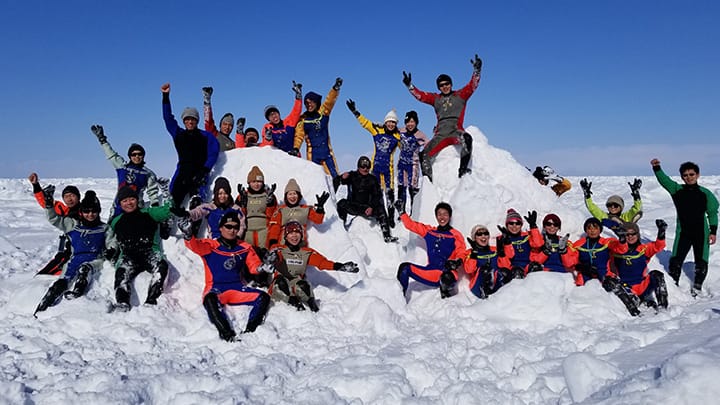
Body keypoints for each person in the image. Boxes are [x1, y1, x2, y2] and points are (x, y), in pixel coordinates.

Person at [182, 211, 273, 342]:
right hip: (216, 289)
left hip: (236, 288)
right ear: (221, 228)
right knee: (209, 300)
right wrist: (188, 235)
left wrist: (263, 268)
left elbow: (254, 266)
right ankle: (227, 335)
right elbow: (195, 245)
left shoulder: (244, 247)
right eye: (228, 226)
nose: (232, 230)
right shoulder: (211, 246)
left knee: (263, 297)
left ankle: (250, 331)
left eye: (235, 227)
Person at [402, 54, 482, 180]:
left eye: (447, 84)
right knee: (424, 155)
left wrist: (477, 71)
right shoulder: (436, 99)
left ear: (451, 84)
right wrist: (410, 86)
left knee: (467, 139)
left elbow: (472, 85)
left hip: (455, 131)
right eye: (441, 85)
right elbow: (421, 96)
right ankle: (429, 184)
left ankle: (463, 171)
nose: (444, 86)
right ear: (438, 87)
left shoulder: (460, 95)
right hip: (440, 135)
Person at [34, 190, 111, 315]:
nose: (90, 214)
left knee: (85, 269)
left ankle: (78, 292)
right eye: (86, 211)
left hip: (96, 260)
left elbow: (111, 243)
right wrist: (49, 206)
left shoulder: (104, 228)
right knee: (61, 282)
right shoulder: (73, 225)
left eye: (94, 211)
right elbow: (55, 219)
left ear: (98, 212)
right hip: (75, 259)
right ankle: (42, 308)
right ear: (81, 212)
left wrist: (111, 250)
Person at [652, 158, 719, 295]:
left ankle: (697, 286)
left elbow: (712, 214)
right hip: (683, 232)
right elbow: (665, 181)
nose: (689, 177)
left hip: (701, 232)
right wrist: (657, 168)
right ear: (682, 177)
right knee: (676, 259)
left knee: (701, 261)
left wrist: (713, 232)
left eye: (691, 174)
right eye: (685, 175)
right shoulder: (677, 190)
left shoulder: (705, 194)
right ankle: (674, 285)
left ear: (698, 175)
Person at [267, 221, 359, 312]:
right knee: (281, 283)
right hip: (280, 284)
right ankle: (294, 305)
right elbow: (267, 259)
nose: (294, 236)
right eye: (291, 233)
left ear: (301, 236)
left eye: (297, 233)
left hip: (296, 284)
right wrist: (271, 259)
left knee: (304, 285)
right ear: (286, 236)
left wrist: (341, 266)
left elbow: (322, 263)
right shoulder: (278, 249)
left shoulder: (307, 252)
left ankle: (314, 311)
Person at [109, 185, 175, 311]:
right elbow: (108, 239)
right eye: (124, 201)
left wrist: (167, 193)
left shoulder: (150, 213)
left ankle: (151, 300)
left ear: (137, 200)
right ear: (120, 204)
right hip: (128, 256)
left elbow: (168, 210)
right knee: (121, 273)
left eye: (132, 199)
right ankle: (122, 302)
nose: (129, 203)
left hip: (150, 253)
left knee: (162, 267)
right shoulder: (116, 221)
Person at [161, 82, 220, 208]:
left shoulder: (206, 136)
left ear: (197, 121)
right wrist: (165, 97)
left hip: (200, 171)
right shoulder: (179, 134)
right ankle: (169, 223)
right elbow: (168, 119)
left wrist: (205, 169)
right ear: (184, 121)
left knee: (198, 202)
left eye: (193, 119)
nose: (190, 121)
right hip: (183, 171)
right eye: (187, 119)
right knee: (173, 201)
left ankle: (194, 224)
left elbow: (214, 152)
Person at [394, 202, 466, 299]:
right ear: (436, 216)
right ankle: (399, 299)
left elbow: (461, 251)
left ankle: (447, 300)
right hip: (432, 272)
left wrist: (457, 261)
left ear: (449, 216)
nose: (442, 217)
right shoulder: (430, 232)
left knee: (447, 277)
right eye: (439, 214)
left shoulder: (455, 235)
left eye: (445, 214)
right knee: (404, 268)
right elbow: (411, 225)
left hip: (448, 273)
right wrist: (402, 212)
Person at [346, 99, 401, 226]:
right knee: (375, 193)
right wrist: (355, 112)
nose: (391, 124)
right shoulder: (377, 130)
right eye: (389, 122)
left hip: (388, 171)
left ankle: (391, 218)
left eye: (393, 122)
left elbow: (405, 147)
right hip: (375, 168)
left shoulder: (398, 136)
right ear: (385, 122)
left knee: (390, 195)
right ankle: (379, 214)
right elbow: (365, 123)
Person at [569, 218, 638, 316]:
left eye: (595, 228)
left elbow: (620, 249)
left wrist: (622, 241)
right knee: (582, 296)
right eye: (589, 228)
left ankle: (631, 308)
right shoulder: (579, 244)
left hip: (604, 275)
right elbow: (570, 261)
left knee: (612, 285)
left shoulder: (606, 242)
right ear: (586, 230)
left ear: (600, 230)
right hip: (585, 276)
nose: (592, 231)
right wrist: (580, 266)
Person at [90, 124, 160, 218]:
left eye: (139, 154)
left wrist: (155, 206)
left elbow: (152, 192)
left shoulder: (148, 173)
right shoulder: (122, 166)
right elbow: (111, 154)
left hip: (136, 208)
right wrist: (102, 140)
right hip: (118, 207)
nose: (137, 156)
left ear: (143, 155)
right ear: (130, 156)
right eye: (134, 154)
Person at [333, 156, 396, 243]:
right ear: (358, 167)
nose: (365, 169)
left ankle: (387, 235)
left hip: (368, 208)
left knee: (381, 209)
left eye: (367, 167)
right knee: (341, 203)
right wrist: (341, 178)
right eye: (363, 167)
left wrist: (371, 207)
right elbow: (336, 181)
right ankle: (341, 229)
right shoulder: (352, 176)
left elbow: (377, 195)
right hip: (355, 206)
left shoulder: (373, 179)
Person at [29, 174, 81, 276]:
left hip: (77, 253)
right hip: (66, 252)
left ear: (78, 197)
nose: (69, 199)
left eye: (72, 196)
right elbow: (47, 205)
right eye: (66, 196)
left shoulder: (87, 211)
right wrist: (36, 185)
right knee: (42, 276)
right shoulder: (65, 211)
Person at [611, 220, 669, 310]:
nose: (630, 237)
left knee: (657, 274)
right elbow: (616, 249)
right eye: (627, 234)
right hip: (626, 288)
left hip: (642, 286)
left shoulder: (642, 249)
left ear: (637, 235)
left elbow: (658, 246)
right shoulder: (616, 249)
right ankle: (635, 302)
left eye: (633, 234)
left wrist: (661, 232)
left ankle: (663, 306)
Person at [293, 78, 343, 177]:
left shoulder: (323, 112)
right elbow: (299, 136)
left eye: (311, 102)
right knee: (316, 178)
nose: (309, 105)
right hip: (313, 154)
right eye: (306, 103)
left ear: (316, 102)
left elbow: (329, 101)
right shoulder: (303, 119)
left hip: (327, 153)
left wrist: (335, 88)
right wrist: (296, 148)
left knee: (335, 177)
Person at [267, 178, 328, 247]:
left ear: (299, 196)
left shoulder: (305, 209)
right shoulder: (281, 210)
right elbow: (275, 226)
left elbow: (318, 220)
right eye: (290, 194)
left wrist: (320, 208)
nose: (292, 196)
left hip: (300, 243)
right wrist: (273, 241)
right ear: (286, 196)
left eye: (295, 194)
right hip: (283, 243)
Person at [463, 225, 513, 299]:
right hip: (478, 285)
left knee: (505, 272)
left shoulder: (494, 250)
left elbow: (506, 267)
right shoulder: (470, 253)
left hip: (495, 283)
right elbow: (469, 270)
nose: (483, 236)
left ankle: (505, 297)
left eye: (486, 233)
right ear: (474, 238)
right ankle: (486, 298)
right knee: (486, 270)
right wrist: (474, 254)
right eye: (479, 234)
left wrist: (501, 254)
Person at [236, 166, 278, 253]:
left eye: (259, 181)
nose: (256, 184)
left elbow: (273, 216)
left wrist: (270, 204)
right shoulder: (243, 195)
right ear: (249, 182)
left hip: (263, 229)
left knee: (264, 253)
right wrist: (242, 204)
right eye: (253, 181)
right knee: (248, 253)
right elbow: (238, 216)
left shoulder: (268, 195)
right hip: (247, 230)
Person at [497, 209, 544, 281]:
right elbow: (509, 257)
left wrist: (533, 226)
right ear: (507, 225)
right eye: (511, 223)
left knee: (536, 268)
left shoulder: (527, 236)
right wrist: (507, 243)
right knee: (517, 272)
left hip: (528, 266)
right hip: (513, 268)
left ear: (521, 225)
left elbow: (538, 244)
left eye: (517, 223)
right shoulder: (501, 239)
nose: (514, 226)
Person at [396, 110, 428, 215]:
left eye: (412, 121)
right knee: (401, 187)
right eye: (408, 122)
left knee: (412, 188)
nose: (410, 124)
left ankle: (414, 213)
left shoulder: (420, 135)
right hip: (402, 164)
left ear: (416, 122)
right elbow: (390, 129)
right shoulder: (401, 131)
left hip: (413, 165)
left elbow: (429, 145)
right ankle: (402, 212)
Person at [261, 81, 303, 153]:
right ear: (268, 119)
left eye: (275, 113)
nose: (274, 116)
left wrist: (298, 97)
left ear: (279, 114)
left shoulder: (289, 122)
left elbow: (296, 111)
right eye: (271, 115)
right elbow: (266, 147)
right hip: (279, 160)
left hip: (294, 157)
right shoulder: (268, 128)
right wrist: (268, 138)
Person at [202, 86, 236, 151]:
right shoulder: (214, 134)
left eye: (230, 125)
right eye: (225, 124)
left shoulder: (233, 144)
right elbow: (208, 121)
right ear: (220, 125)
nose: (227, 127)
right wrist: (207, 103)